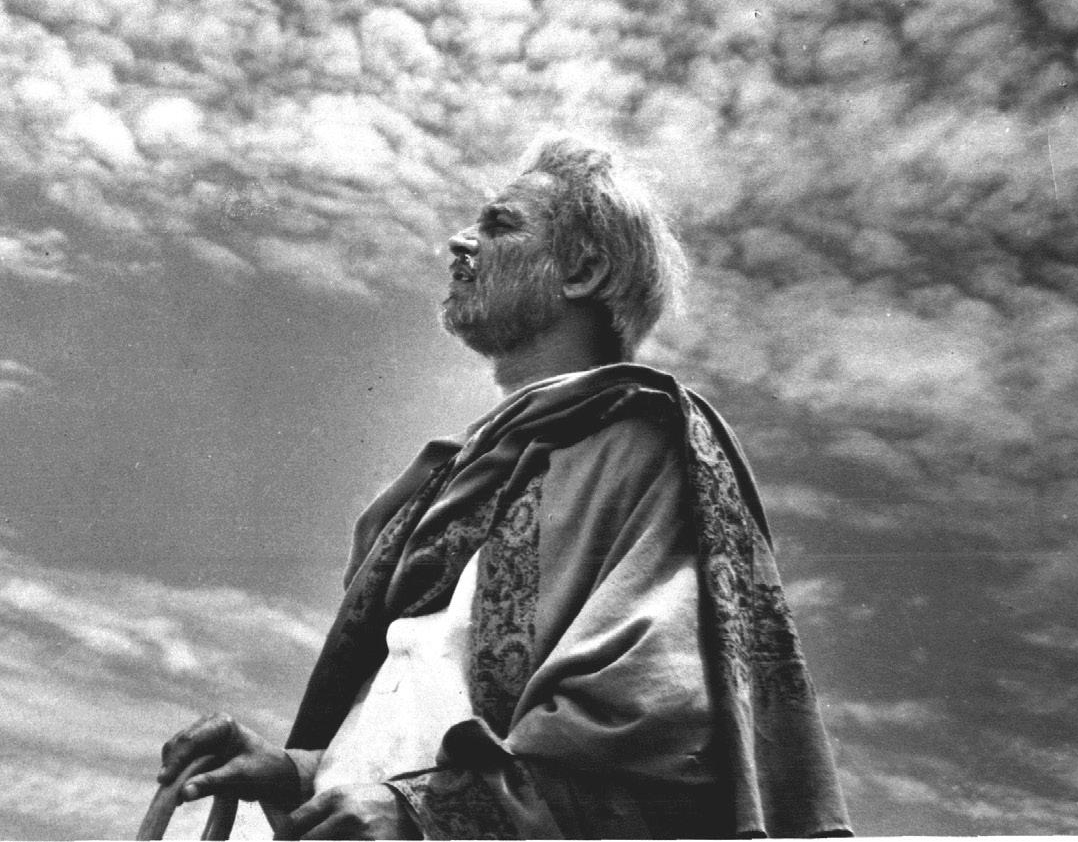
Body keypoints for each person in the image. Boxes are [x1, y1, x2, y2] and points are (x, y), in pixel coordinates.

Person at [158, 135, 851, 839]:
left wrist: (420, 814)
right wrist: (296, 770)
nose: (460, 242)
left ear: (581, 268)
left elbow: (648, 736)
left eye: (500, 224)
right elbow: (418, 717)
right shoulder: (445, 481)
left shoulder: (645, 446)